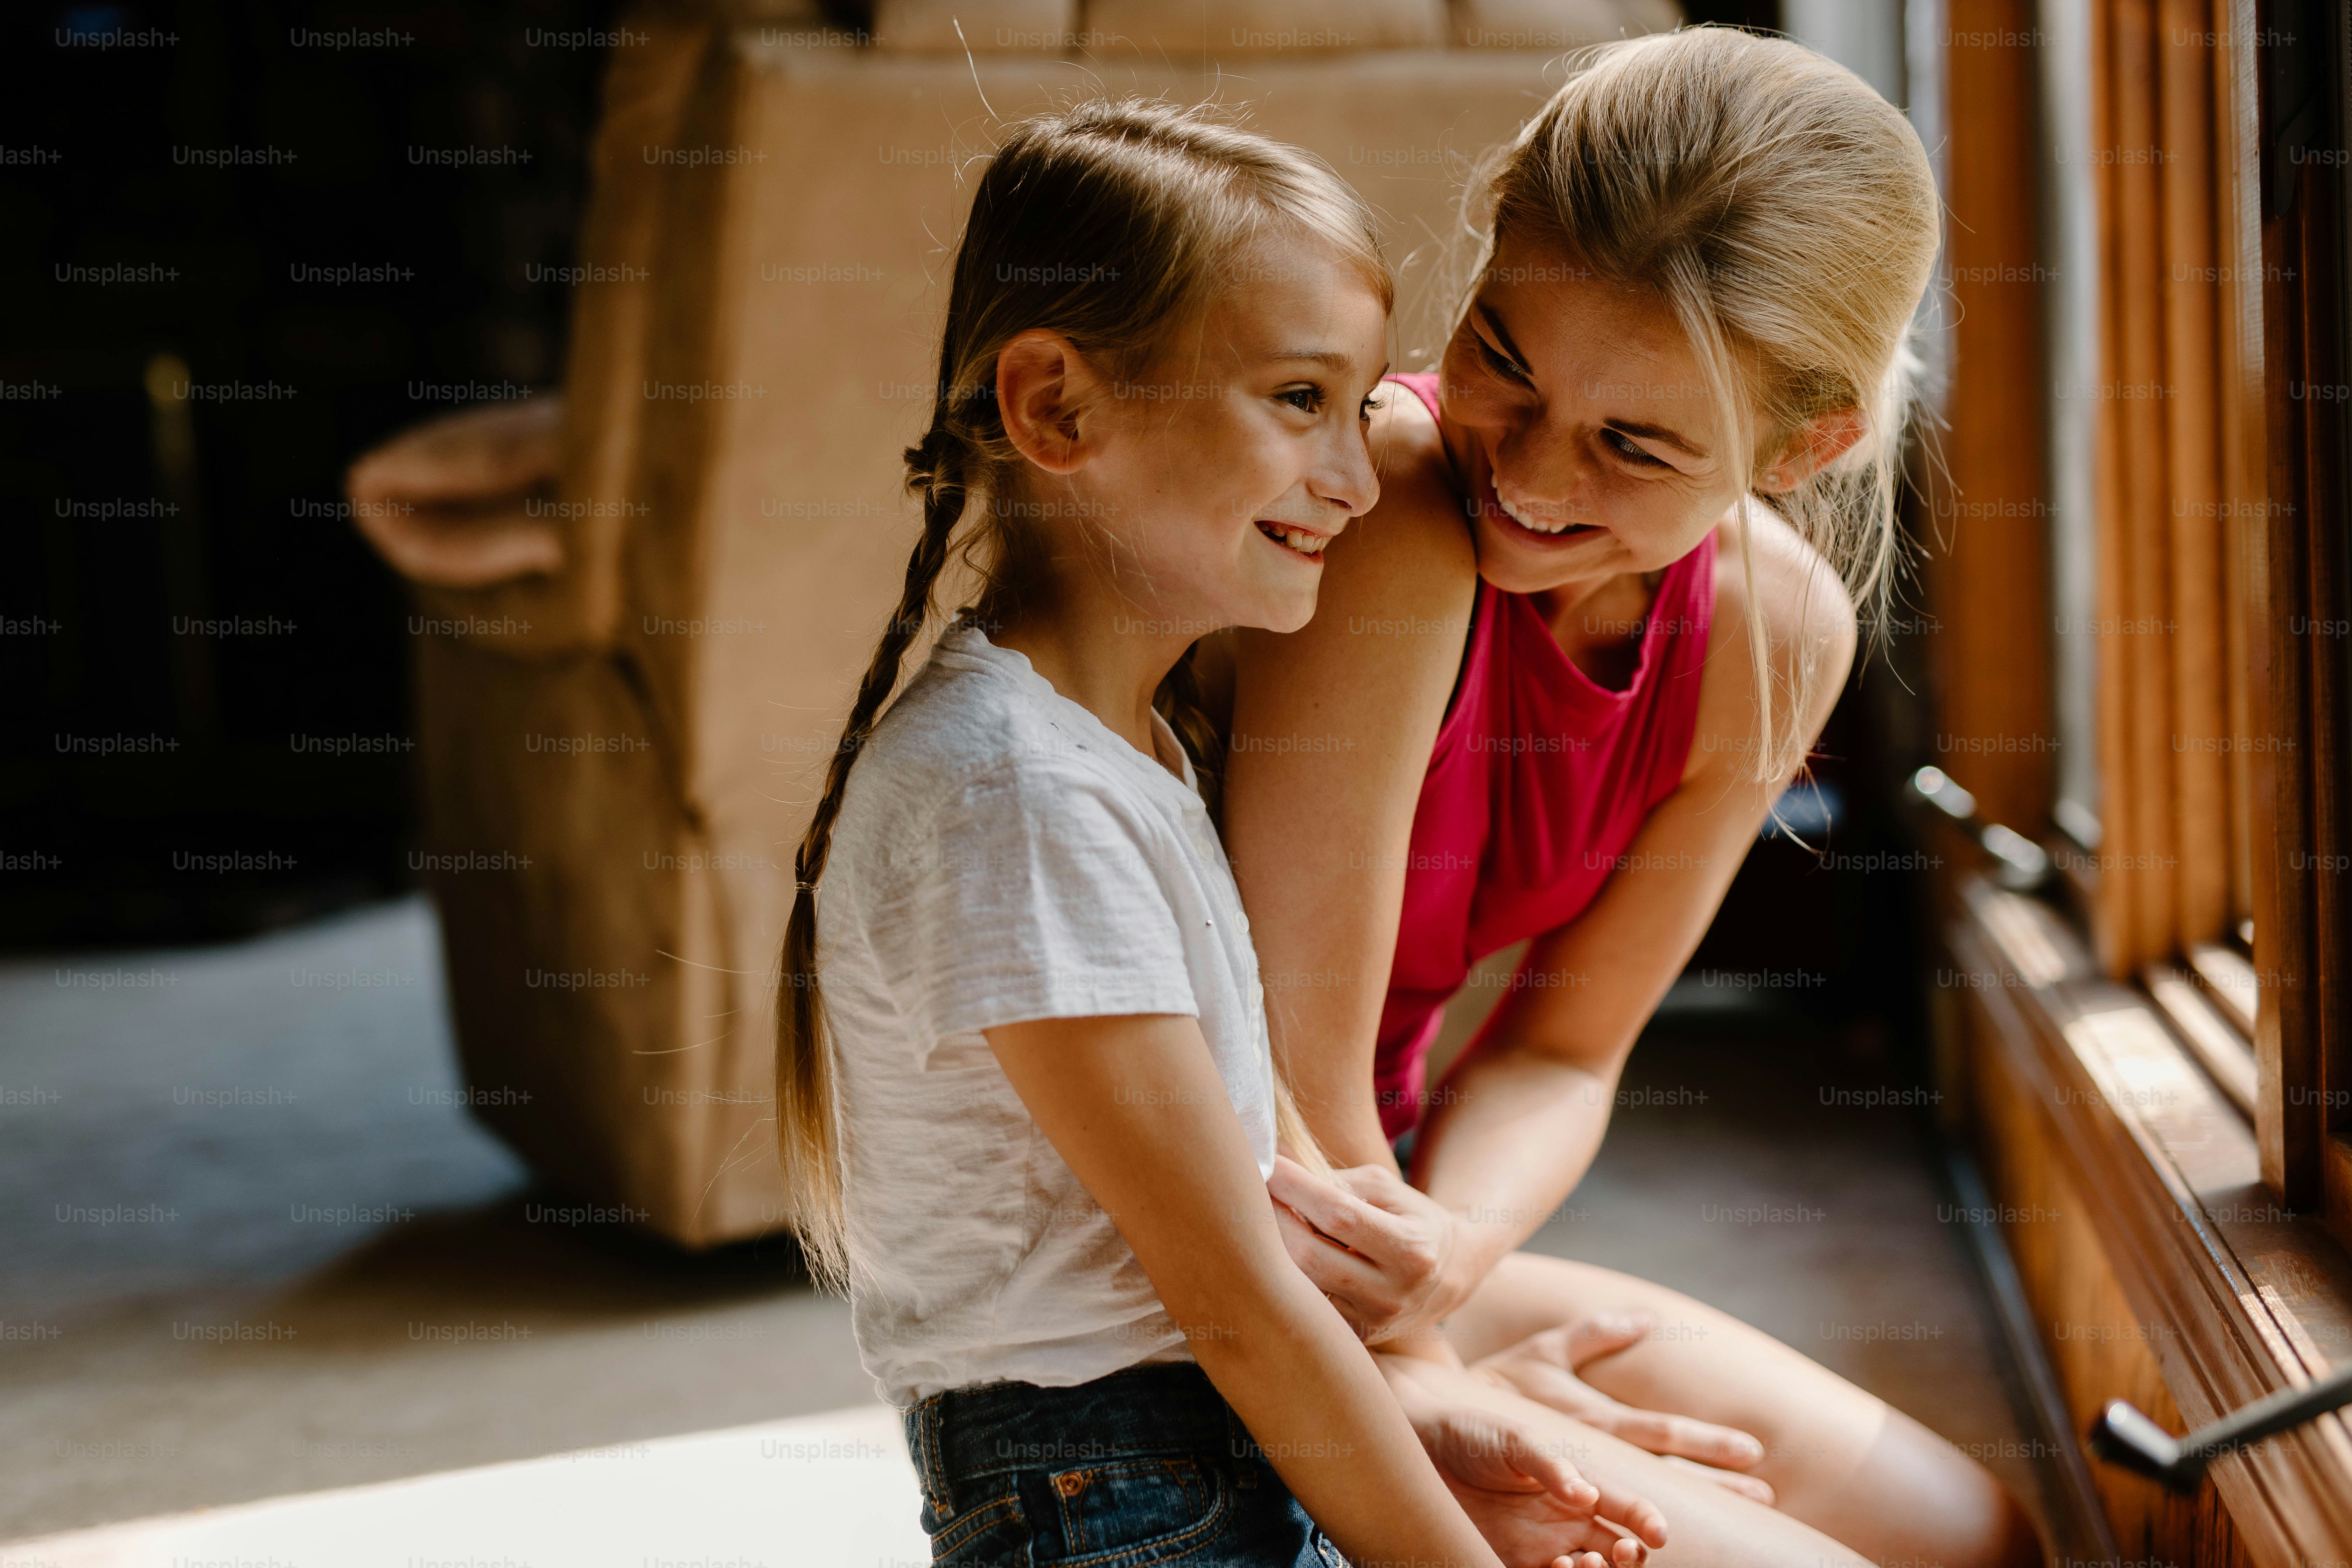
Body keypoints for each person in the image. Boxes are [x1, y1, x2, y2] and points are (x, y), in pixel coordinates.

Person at [770, 99, 1664, 1568]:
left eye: (1361, 403)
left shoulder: (1117, 753)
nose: (1359, 478)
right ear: (1058, 408)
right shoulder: (1019, 794)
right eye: (1298, 400)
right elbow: (1234, 1301)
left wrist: (1432, 1435)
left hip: (1193, 1454)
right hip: (1115, 1496)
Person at [1216, 28, 2042, 1568]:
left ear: (1808, 445)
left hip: (1371, 1243)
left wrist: (1453, 1267)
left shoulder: (1778, 634)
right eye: (1503, 361)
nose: (1525, 473)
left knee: (1973, 1534)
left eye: (1635, 445)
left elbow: (1562, 1051)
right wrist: (1430, 1388)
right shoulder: (1396, 505)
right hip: (1205, 1245)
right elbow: (1290, 1068)